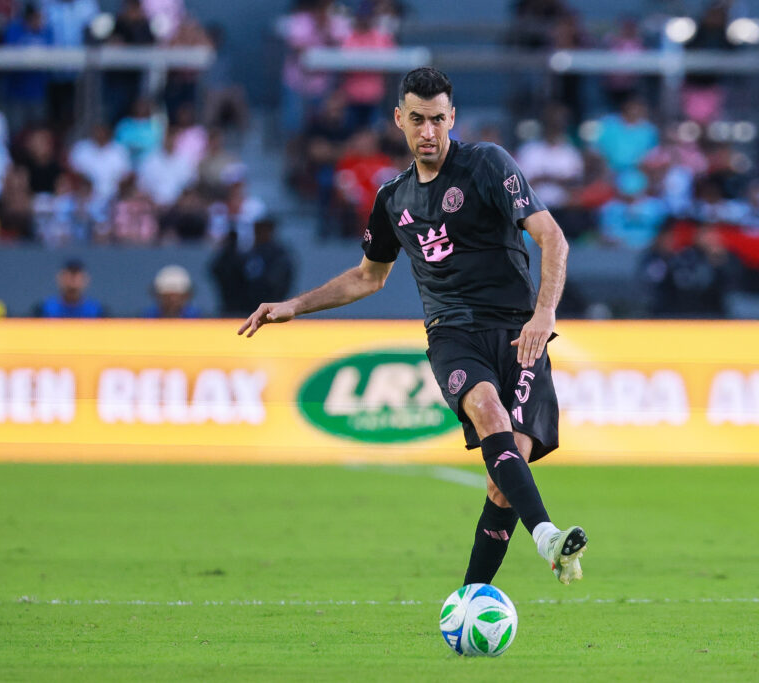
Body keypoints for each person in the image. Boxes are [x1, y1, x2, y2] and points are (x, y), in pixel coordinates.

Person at [238, 67, 588, 586]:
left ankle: (472, 597)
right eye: (418, 120)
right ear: (399, 119)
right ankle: (547, 537)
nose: (428, 131)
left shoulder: (488, 164)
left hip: (520, 331)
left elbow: (552, 238)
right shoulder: (392, 200)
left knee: (502, 480)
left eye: (438, 120)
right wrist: (295, 305)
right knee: (489, 413)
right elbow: (367, 277)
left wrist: (544, 313)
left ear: (453, 119)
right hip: (453, 333)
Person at [34, 259, 106, 317]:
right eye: (69, 274)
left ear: (86, 279)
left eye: (77, 274)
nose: (73, 278)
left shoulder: (97, 311)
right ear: (60, 278)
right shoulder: (44, 310)